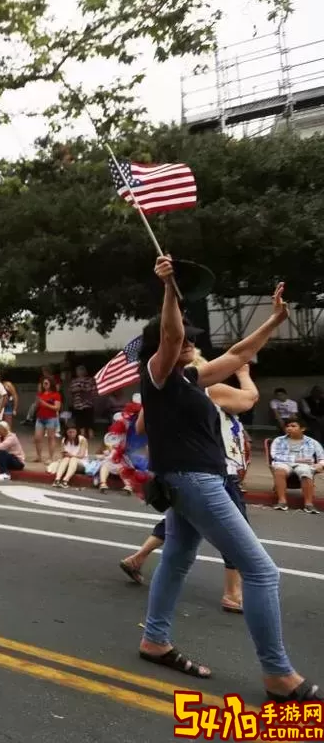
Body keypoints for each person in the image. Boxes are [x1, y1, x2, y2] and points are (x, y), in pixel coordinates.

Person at [135, 254, 316, 702]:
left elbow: (238, 355)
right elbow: (173, 332)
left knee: (176, 558)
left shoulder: (190, 379)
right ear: (165, 348)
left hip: (192, 482)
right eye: (187, 342)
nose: (193, 345)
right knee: (261, 572)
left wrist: (274, 320)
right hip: (195, 482)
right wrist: (169, 287)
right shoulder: (157, 376)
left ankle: (154, 640)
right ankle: (278, 674)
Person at [119, 355, 260, 613]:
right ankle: (233, 592)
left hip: (180, 473)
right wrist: (242, 373)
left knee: (180, 535)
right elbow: (249, 399)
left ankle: (138, 560)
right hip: (213, 471)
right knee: (241, 539)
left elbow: (141, 427)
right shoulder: (205, 388)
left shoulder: (163, 392)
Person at [269, 417, 323, 513]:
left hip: (304, 465)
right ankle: (282, 501)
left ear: (302, 429)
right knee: (279, 471)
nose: (289, 428)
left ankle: (308, 504)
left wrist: (320, 464)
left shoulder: (312, 442)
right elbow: (275, 456)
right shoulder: (279, 440)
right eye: (287, 426)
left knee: (306, 472)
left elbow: (322, 457)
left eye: (293, 426)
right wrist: (297, 459)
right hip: (284, 463)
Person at [34, 378, 62, 463]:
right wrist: (37, 403)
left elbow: (57, 407)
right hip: (40, 417)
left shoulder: (56, 394)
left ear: (51, 384)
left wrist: (45, 404)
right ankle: (39, 457)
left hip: (51, 418)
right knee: (37, 438)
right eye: (43, 383)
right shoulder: (40, 394)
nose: (44, 385)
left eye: (46, 383)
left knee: (51, 438)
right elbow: (37, 405)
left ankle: (51, 457)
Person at [69, 365, 98, 443]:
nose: (79, 372)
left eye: (81, 370)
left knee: (89, 421)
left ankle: (91, 437)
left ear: (84, 371)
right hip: (77, 404)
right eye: (78, 371)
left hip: (88, 404)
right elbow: (71, 390)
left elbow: (94, 391)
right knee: (80, 421)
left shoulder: (90, 380)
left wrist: (83, 389)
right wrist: (77, 389)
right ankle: (82, 436)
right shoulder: (74, 381)